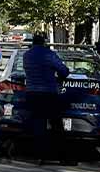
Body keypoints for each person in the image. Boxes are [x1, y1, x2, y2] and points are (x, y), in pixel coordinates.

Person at [23, 33, 73, 164]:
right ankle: (63, 157)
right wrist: (58, 79)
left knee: (38, 125)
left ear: (33, 43)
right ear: (44, 42)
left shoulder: (26, 55)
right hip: (48, 93)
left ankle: (39, 155)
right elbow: (64, 71)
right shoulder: (48, 54)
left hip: (32, 93)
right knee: (56, 125)